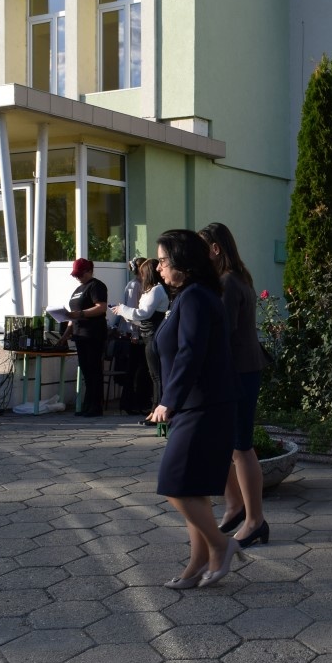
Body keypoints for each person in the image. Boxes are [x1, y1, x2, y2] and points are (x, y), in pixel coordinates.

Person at [148, 229, 241, 588]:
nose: (158, 267)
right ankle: (197, 562)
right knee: (192, 486)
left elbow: (191, 353)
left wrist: (168, 400)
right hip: (197, 405)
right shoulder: (189, 295)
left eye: (163, 261)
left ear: (183, 263)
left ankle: (220, 545)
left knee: (175, 483)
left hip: (203, 405)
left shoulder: (196, 297)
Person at [200, 222, 271, 549]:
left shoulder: (229, 281)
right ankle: (236, 506)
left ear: (216, 249)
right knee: (226, 443)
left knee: (241, 446)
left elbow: (222, 333)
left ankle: (254, 521)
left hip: (238, 372)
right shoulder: (237, 277)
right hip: (241, 370)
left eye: (203, 248)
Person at [115, 257, 169, 421]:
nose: (141, 277)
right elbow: (143, 317)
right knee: (154, 375)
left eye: (143, 273)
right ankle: (154, 410)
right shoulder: (153, 290)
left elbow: (144, 313)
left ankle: (157, 412)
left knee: (156, 376)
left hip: (152, 336)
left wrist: (123, 309)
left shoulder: (156, 290)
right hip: (148, 334)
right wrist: (128, 316)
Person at [59, 257, 108, 417]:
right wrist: (66, 335)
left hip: (93, 334)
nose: (77, 277)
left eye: (80, 274)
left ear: (89, 271)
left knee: (94, 370)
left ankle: (96, 406)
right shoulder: (78, 289)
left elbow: (101, 308)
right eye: (75, 275)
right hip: (80, 335)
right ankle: (88, 405)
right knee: (86, 371)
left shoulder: (96, 286)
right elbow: (73, 317)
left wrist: (80, 313)